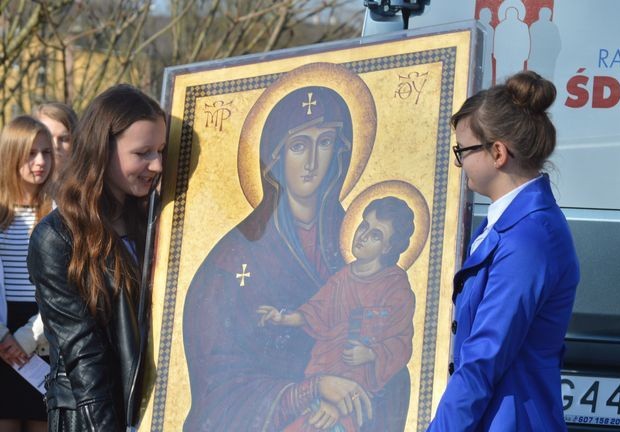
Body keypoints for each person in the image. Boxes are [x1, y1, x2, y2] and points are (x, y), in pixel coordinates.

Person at [183, 82, 385, 431]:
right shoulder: (232, 257)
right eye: (298, 146)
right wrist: (307, 392)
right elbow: (217, 384)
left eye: (324, 143)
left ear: (340, 152)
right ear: (274, 158)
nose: (311, 162)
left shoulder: (361, 239)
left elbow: (389, 329)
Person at [427, 70, 580, 431]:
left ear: (497, 152)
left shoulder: (529, 239)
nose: (458, 162)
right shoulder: (507, 223)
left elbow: (484, 357)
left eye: (462, 150)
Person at [27, 84, 165, 431]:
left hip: (159, 408)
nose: (157, 164)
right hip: (91, 417)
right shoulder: (57, 237)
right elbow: (83, 355)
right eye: (143, 152)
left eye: (161, 150)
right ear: (103, 150)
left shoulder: (158, 222)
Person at [257, 196, 416, 432]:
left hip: (360, 389)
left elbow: (400, 343)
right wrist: (284, 318)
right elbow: (317, 311)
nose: (362, 236)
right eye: (364, 226)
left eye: (376, 235)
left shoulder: (396, 288)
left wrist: (372, 354)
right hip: (324, 376)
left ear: (388, 247)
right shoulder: (343, 277)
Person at [0, 115, 54, 432]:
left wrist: (25, 338)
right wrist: (3, 336)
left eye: (46, 152)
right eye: (31, 153)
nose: (41, 162)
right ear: (11, 154)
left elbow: (67, 289)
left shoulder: (61, 212)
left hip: (41, 335)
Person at [32, 102, 78, 181]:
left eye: (64, 139)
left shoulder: (89, 189)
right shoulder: (18, 188)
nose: (55, 145)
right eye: (48, 137)